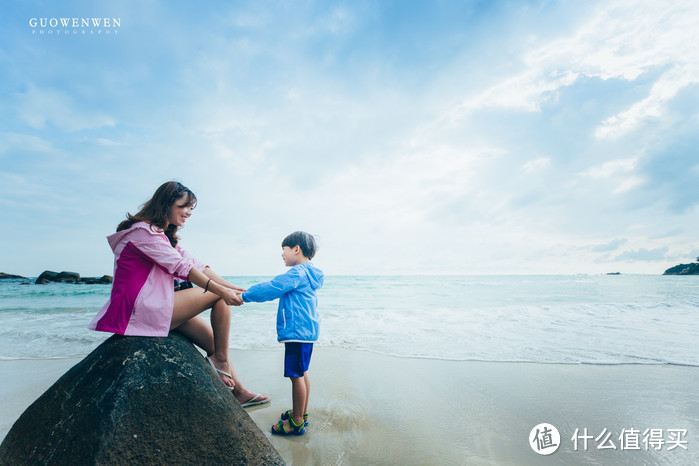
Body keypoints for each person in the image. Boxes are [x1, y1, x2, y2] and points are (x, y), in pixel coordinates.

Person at [88, 181, 269, 408]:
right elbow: (182, 268)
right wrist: (222, 291)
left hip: (155, 307)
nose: (188, 213)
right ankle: (220, 361)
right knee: (218, 298)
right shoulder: (142, 232)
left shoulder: (160, 236)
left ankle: (239, 391)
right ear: (166, 204)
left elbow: (196, 264)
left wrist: (231, 286)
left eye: (191, 208)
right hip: (142, 310)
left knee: (215, 342)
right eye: (184, 206)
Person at [239, 231, 324, 436]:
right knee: (302, 373)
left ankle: (295, 423)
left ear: (296, 249)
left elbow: (273, 288)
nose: (282, 254)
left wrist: (244, 296)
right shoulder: (310, 274)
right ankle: (301, 412)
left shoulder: (297, 273)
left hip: (297, 332)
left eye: (283, 250)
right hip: (308, 332)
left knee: (296, 376)